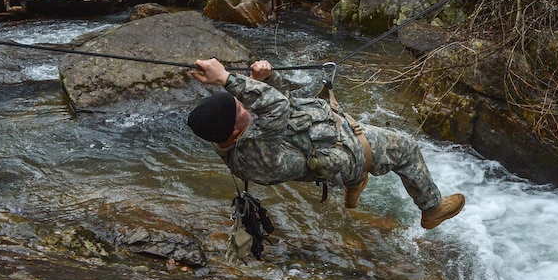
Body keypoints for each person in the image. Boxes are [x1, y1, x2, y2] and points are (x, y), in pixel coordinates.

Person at [187, 58, 466, 230]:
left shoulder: (234, 136)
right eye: (240, 106)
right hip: (342, 149)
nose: (243, 102)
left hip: (327, 140)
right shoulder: (255, 152)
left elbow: (278, 105)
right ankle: (431, 210)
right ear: (235, 131)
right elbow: (278, 108)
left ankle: (354, 183)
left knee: (359, 161)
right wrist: (226, 78)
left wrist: (265, 80)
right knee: (406, 148)